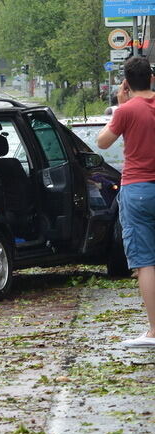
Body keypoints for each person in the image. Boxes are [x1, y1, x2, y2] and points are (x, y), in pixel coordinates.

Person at [97, 56, 155, 348]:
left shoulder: (126, 111)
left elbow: (102, 142)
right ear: (152, 79)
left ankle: (154, 331)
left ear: (127, 83)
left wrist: (119, 105)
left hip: (138, 190)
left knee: (145, 262)